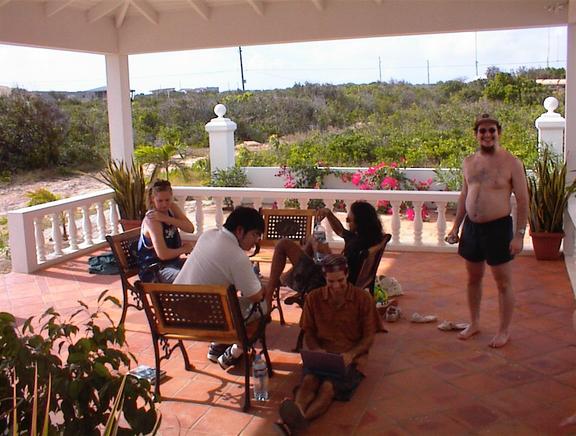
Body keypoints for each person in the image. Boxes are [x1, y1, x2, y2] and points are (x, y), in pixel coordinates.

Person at [445, 113, 529, 348]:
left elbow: (523, 200)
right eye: (482, 131)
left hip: (498, 229)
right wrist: (455, 227)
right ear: (476, 134)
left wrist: (519, 235)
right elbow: (464, 195)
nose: (487, 134)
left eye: (492, 130)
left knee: (503, 283)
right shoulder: (468, 162)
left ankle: (504, 331)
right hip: (472, 229)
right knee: (473, 278)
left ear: (498, 133)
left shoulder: (512, 163)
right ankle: (474, 323)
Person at [276, 254, 377, 434]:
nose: (336, 286)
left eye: (340, 281)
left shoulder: (363, 299)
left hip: (351, 359)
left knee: (328, 388)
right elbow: (309, 332)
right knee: (308, 382)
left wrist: (351, 355)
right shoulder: (314, 298)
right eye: (331, 282)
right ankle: (297, 416)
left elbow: (369, 337)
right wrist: (316, 349)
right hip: (323, 356)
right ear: (324, 278)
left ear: (347, 275)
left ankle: (299, 421)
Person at [174, 206, 267, 369]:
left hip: (175, 315)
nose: (257, 240)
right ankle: (235, 351)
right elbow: (256, 296)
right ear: (240, 231)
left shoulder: (207, 235)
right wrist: (265, 287)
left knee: (228, 303)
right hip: (208, 321)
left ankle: (217, 346)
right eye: (255, 234)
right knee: (262, 306)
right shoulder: (238, 257)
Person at [265, 201, 385, 306]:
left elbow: (339, 266)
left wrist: (324, 251)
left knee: (283, 244)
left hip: (330, 281)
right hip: (343, 277)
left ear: (359, 222)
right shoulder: (367, 238)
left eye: (349, 220)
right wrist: (328, 214)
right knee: (314, 239)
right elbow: (340, 231)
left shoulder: (356, 245)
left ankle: (270, 291)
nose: (348, 223)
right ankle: (285, 277)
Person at [137, 179, 195, 283]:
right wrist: (183, 249)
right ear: (152, 199)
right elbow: (163, 255)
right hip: (155, 270)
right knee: (189, 277)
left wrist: (167, 219)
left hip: (173, 263)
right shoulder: (152, 220)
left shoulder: (172, 208)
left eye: (167, 200)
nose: (164, 204)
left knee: (202, 267)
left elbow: (190, 228)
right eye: (160, 201)